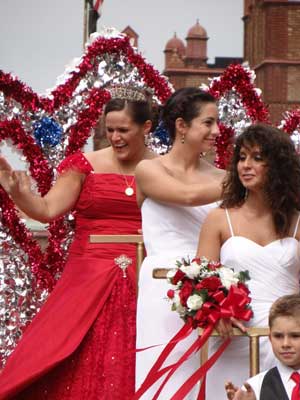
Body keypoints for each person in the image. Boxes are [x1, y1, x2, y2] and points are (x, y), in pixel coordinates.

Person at [0, 86, 154, 400]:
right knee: (62, 354)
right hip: (88, 280)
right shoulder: (83, 165)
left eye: (123, 129)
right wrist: (19, 195)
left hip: (146, 280)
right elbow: (46, 210)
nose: (115, 137)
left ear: (146, 127)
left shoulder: (163, 170)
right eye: (109, 130)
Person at [197, 123, 300, 399]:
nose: (245, 165)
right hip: (234, 335)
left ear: (277, 165)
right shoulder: (219, 218)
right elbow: (200, 280)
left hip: (287, 338)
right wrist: (215, 311)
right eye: (241, 157)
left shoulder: (297, 220)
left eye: (257, 158)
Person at [135, 87, 225, 399]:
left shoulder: (220, 175)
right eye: (208, 123)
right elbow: (186, 197)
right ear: (181, 126)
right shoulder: (149, 169)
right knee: (161, 378)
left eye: (217, 123)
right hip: (162, 289)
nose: (216, 131)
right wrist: (238, 183)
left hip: (213, 287)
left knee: (210, 376)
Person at [225, 294, 300, 400]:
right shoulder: (255, 387)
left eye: (295, 336)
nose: (285, 344)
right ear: (270, 338)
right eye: (278, 336)